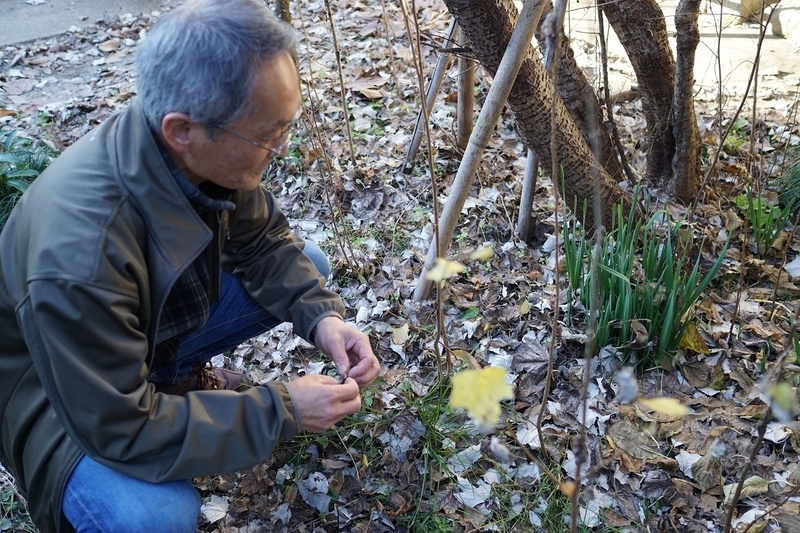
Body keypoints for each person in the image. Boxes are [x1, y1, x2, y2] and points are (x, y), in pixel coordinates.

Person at [0, 0, 381, 531]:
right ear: (183, 130)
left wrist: (323, 318)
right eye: (267, 135)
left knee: (307, 267)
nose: (283, 147)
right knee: (155, 517)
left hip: (132, 340)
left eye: (286, 126)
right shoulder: (79, 256)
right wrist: (282, 409)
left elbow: (264, 242)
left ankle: (173, 380)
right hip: (55, 400)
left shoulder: (189, 148)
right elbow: (121, 429)